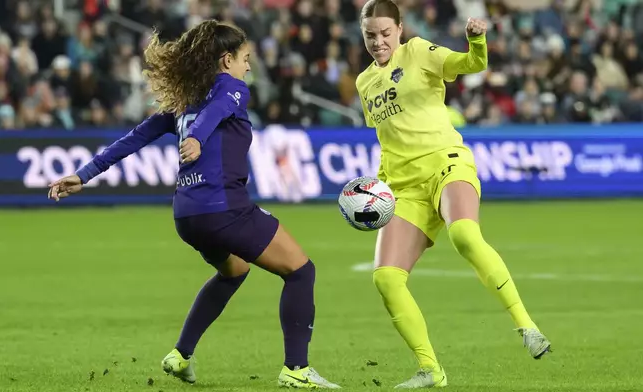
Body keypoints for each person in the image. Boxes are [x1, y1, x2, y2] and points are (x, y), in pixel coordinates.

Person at [47, 20, 340, 389]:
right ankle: (296, 370)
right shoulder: (231, 89)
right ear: (226, 59)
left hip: (187, 215)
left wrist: (84, 173)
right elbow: (216, 112)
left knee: (234, 271)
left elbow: (135, 137)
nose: (248, 67)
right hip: (225, 209)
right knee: (301, 271)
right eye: (245, 58)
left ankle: (181, 355)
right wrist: (199, 138)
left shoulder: (186, 100)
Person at [355, 0, 551, 388]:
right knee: (386, 279)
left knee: (464, 234)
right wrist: (378, 188)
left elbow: (469, 65)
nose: (379, 42)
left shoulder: (419, 52)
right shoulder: (364, 83)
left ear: (400, 28)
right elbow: (387, 138)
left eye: (385, 33)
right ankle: (431, 370)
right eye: (370, 35)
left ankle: (526, 326)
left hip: (447, 162)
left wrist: (476, 43)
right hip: (404, 186)